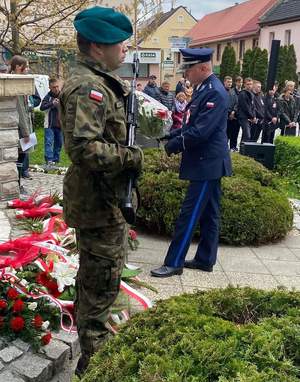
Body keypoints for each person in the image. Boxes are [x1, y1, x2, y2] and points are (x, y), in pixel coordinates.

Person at [59, 6, 143, 377]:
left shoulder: (98, 81)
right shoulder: (89, 87)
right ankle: (93, 369)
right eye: (117, 42)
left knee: (99, 283)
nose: (124, 48)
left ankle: (91, 362)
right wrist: (131, 157)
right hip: (97, 203)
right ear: (96, 46)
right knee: (99, 291)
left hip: (103, 201)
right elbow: (84, 149)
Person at [151, 47, 232, 278]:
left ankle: (174, 262)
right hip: (207, 162)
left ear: (204, 68)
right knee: (209, 213)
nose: (186, 74)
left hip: (207, 164)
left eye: (189, 69)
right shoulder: (202, 88)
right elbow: (191, 125)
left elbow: (201, 132)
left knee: (190, 213)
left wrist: (174, 146)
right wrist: (171, 135)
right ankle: (205, 259)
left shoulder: (215, 92)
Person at [10, 55, 33, 189]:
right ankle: (17, 184)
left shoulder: (21, 81)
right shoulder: (14, 83)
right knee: (20, 155)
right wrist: (26, 132)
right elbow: (19, 109)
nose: (28, 69)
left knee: (24, 154)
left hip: (25, 125)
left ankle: (19, 183)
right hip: (19, 128)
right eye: (26, 66)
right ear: (18, 67)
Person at [40, 78, 63, 166]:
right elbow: (42, 107)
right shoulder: (48, 96)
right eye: (54, 87)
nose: (56, 89)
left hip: (60, 124)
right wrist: (52, 103)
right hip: (49, 124)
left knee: (59, 142)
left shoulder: (62, 96)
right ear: (50, 87)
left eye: (57, 86)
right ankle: (49, 160)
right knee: (49, 142)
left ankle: (56, 160)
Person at [237, 77, 256, 142]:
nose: (249, 86)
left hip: (249, 117)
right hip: (243, 117)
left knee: (245, 135)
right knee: (247, 135)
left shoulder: (252, 94)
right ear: (244, 85)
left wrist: (254, 116)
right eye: (248, 84)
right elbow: (245, 107)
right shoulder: (242, 94)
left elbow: (253, 106)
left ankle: (242, 149)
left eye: (251, 84)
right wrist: (252, 116)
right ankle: (243, 149)